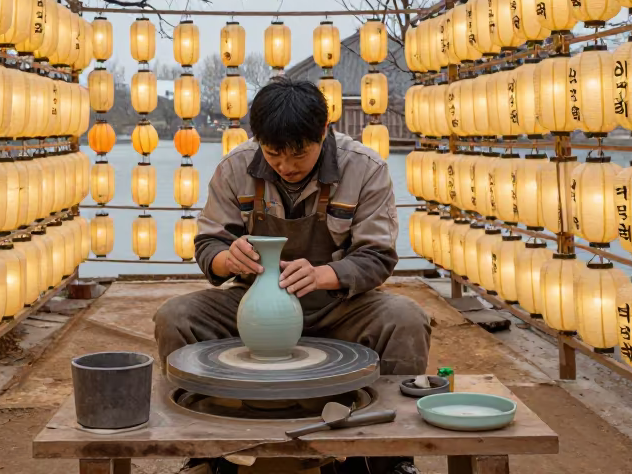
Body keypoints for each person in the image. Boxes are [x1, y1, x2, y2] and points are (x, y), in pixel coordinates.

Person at [154, 77, 430, 474]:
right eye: (273, 154)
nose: (285, 166)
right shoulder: (235, 167)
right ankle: (206, 452)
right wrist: (227, 260)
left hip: (339, 307)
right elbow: (207, 245)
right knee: (175, 317)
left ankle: (388, 457)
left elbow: (378, 256)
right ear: (258, 139)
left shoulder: (365, 168)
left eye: (298, 155)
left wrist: (326, 275)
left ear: (324, 132)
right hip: (251, 305)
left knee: (406, 318)